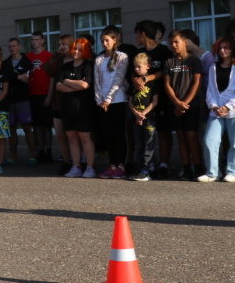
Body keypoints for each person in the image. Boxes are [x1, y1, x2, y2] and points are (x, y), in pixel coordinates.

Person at [132, 20, 174, 179]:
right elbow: (132, 71)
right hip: (142, 102)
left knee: (163, 131)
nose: (136, 38)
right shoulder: (139, 53)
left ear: (142, 34)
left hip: (161, 98)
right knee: (143, 137)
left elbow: (166, 71)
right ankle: (147, 165)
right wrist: (135, 80)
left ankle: (163, 164)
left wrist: (147, 78)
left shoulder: (163, 51)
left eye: (137, 34)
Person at [164, 29, 204, 180]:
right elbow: (167, 85)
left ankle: (199, 167)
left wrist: (185, 103)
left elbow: (197, 83)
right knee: (180, 136)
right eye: (171, 43)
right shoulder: (169, 62)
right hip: (175, 106)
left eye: (176, 42)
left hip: (191, 106)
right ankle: (186, 168)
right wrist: (176, 103)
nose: (173, 45)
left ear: (185, 43)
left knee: (191, 136)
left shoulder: (194, 60)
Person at [94, 28, 129, 179]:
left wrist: (108, 99)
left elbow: (118, 79)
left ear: (115, 40)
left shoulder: (122, 57)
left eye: (107, 40)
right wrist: (99, 100)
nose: (105, 43)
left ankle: (121, 165)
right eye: (102, 41)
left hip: (118, 100)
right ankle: (112, 164)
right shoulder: (99, 59)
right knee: (108, 135)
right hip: (103, 103)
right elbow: (97, 81)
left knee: (119, 134)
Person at [58, 38, 96, 178]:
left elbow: (86, 85)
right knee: (71, 137)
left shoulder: (88, 66)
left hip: (83, 107)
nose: (76, 51)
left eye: (80, 49)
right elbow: (58, 86)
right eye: (75, 48)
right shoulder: (66, 66)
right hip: (67, 107)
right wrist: (76, 86)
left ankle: (90, 167)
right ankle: (76, 166)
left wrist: (68, 82)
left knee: (84, 137)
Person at [199, 37, 235, 182]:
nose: (222, 50)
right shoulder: (213, 67)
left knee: (234, 143)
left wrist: (228, 107)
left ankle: (232, 171)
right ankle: (212, 172)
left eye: (226, 47)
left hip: (232, 111)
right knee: (209, 140)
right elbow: (210, 90)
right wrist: (213, 106)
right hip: (216, 111)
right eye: (220, 48)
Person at [2, 38, 36, 165]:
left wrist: (14, 77)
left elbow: (27, 79)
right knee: (12, 128)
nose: (12, 48)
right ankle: (13, 157)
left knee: (27, 127)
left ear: (19, 47)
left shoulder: (27, 61)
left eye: (14, 46)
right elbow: (6, 79)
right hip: (9, 100)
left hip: (23, 98)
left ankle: (32, 156)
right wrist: (17, 77)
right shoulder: (5, 63)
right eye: (10, 46)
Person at [45, 34, 74, 174]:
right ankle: (67, 162)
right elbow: (50, 74)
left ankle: (78, 162)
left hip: (72, 101)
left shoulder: (76, 59)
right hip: (58, 100)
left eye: (64, 44)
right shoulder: (58, 61)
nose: (61, 47)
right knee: (60, 134)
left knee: (73, 134)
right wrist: (49, 97)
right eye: (59, 45)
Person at [128, 53, 159, 181]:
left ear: (148, 67)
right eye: (135, 67)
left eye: (139, 67)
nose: (136, 69)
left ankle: (147, 170)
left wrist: (143, 114)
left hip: (149, 119)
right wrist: (136, 114)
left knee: (149, 145)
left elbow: (155, 101)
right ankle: (140, 168)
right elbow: (130, 101)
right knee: (139, 144)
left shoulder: (152, 84)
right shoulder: (134, 84)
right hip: (136, 119)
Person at [26, 31, 54, 163]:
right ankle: (40, 150)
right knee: (37, 125)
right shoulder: (27, 57)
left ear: (42, 41)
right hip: (32, 95)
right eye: (32, 40)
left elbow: (53, 77)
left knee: (47, 125)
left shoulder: (49, 56)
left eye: (37, 39)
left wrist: (49, 96)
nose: (34, 42)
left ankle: (49, 151)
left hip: (45, 94)